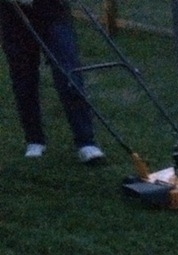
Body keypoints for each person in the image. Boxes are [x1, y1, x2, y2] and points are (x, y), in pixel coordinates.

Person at [0, 0, 105, 162]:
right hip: (13, 16)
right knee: (24, 78)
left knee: (69, 73)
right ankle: (34, 140)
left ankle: (86, 142)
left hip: (53, 11)